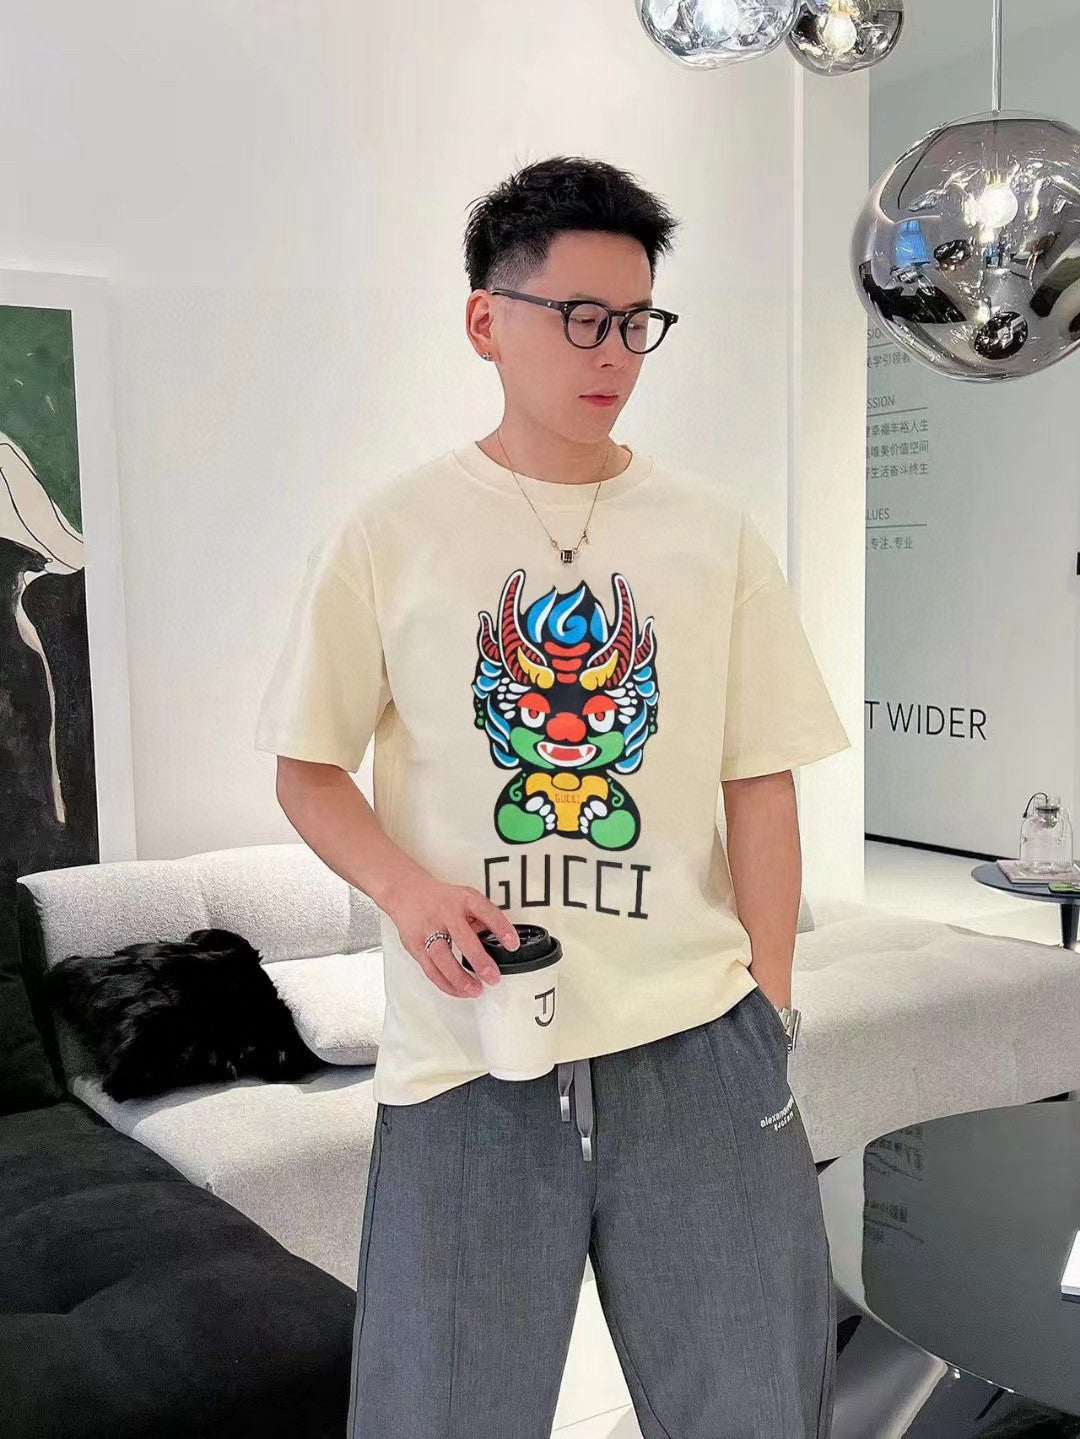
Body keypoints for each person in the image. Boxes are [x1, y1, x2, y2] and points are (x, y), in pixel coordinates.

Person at [254, 154, 852, 1439]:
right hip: (468, 1053)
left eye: (636, 322)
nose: (614, 353)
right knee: (438, 1415)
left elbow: (761, 778)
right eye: (580, 317)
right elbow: (307, 766)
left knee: (755, 1409)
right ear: (487, 320)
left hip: (698, 1043)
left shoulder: (713, 532)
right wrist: (408, 892)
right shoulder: (392, 532)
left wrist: (771, 1002)